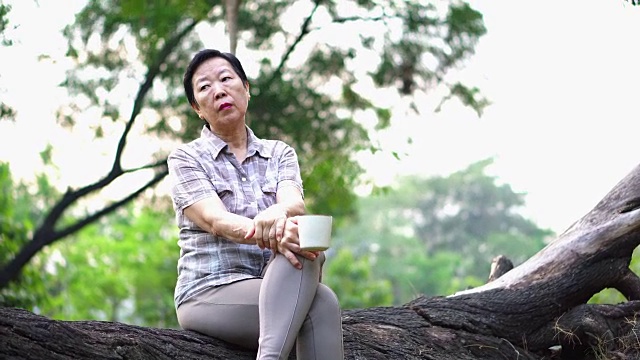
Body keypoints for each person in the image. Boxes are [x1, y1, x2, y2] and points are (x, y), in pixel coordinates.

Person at [167, 49, 344, 360]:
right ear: (197, 108)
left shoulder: (280, 153)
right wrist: (268, 230)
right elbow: (216, 220)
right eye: (205, 87)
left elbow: (293, 203)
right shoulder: (186, 158)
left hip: (277, 282)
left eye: (225, 79)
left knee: (304, 243)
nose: (219, 90)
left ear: (245, 88)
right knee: (320, 302)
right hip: (210, 290)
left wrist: (278, 214)